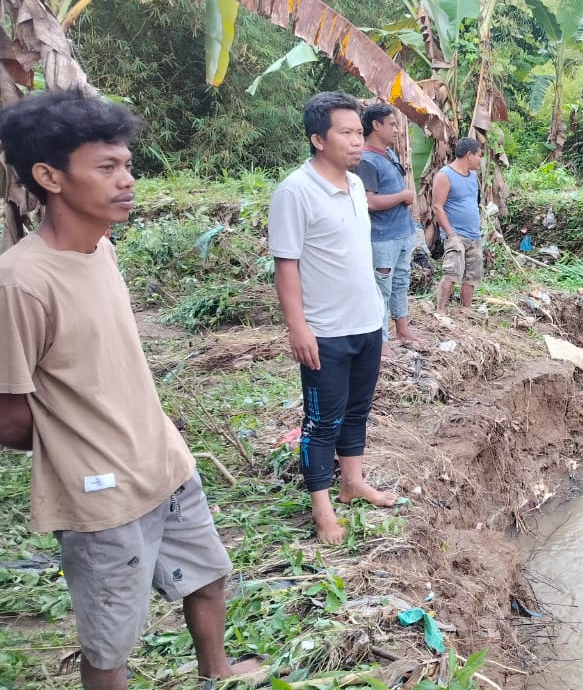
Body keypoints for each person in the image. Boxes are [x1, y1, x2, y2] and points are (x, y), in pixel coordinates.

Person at [0, 91, 261, 690]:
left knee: (206, 574)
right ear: (49, 177)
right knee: (111, 634)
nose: (127, 180)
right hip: (100, 495)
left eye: (128, 165)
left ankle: (215, 670)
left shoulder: (102, 251)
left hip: (163, 459)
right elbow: (10, 416)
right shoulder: (21, 282)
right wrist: (83, 444)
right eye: (107, 167)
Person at [268, 92, 397, 545]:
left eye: (360, 133)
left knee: (357, 410)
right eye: (346, 133)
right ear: (318, 139)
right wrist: (298, 327)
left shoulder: (357, 185)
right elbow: (287, 264)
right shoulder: (295, 192)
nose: (357, 141)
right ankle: (322, 507)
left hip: (366, 323)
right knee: (322, 420)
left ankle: (353, 481)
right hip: (325, 331)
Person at [355, 104, 420, 357]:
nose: (396, 129)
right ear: (376, 125)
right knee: (380, 289)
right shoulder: (366, 161)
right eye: (392, 124)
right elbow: (369, 202)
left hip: (402, 232)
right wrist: (403, 195)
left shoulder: (389, 154)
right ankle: (380, 342)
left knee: (401, 283)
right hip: (382, 237)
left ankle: (403, 330)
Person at [432, 137, 485, 314]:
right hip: (456, 235)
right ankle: (440, 311)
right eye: (479, 155)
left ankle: (465, 311)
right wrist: (451, 234)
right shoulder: (445, 175)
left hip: (474, 236)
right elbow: (437, 207)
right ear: (469, 155)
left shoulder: (473, 176)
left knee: (472, 276)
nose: (480, 159)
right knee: (452, 273)